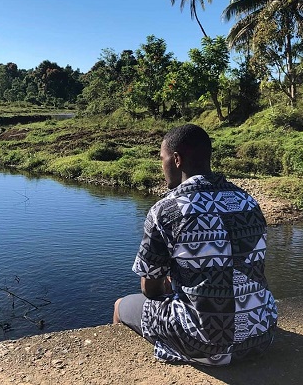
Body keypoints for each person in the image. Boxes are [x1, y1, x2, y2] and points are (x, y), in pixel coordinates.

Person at [113, 124, 278, 366]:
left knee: (120, 305)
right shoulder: (248, 201)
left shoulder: (166, 210)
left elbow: (150, 289)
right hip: (261, 334)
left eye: (163, 158)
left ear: (177, 159)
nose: (162, 167)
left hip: (202, 343)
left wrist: (171, 285)